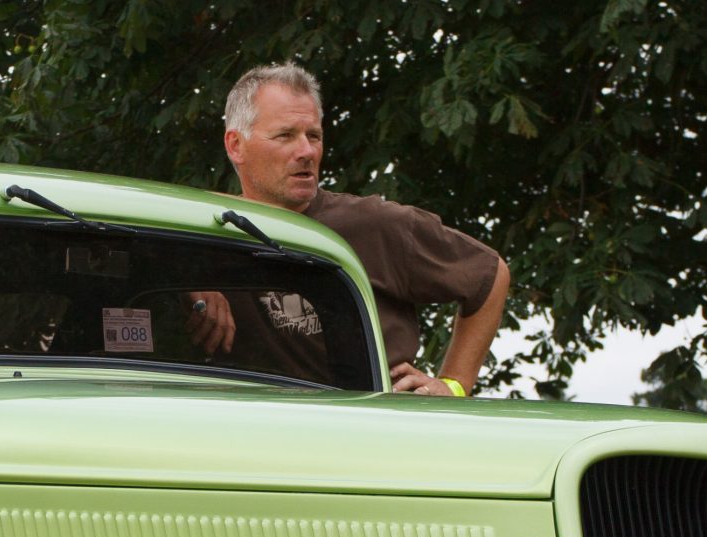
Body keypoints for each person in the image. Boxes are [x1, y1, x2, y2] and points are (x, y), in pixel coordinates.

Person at [213, 62, 510, 396]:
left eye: (314, 136)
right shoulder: (209, 228)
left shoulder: (375, 224)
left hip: (379, 429)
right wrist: (196, 289)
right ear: (236, 145)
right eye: (285, 136)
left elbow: (490, 274)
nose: (307, 152)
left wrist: (455, 386)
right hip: (269, 436)